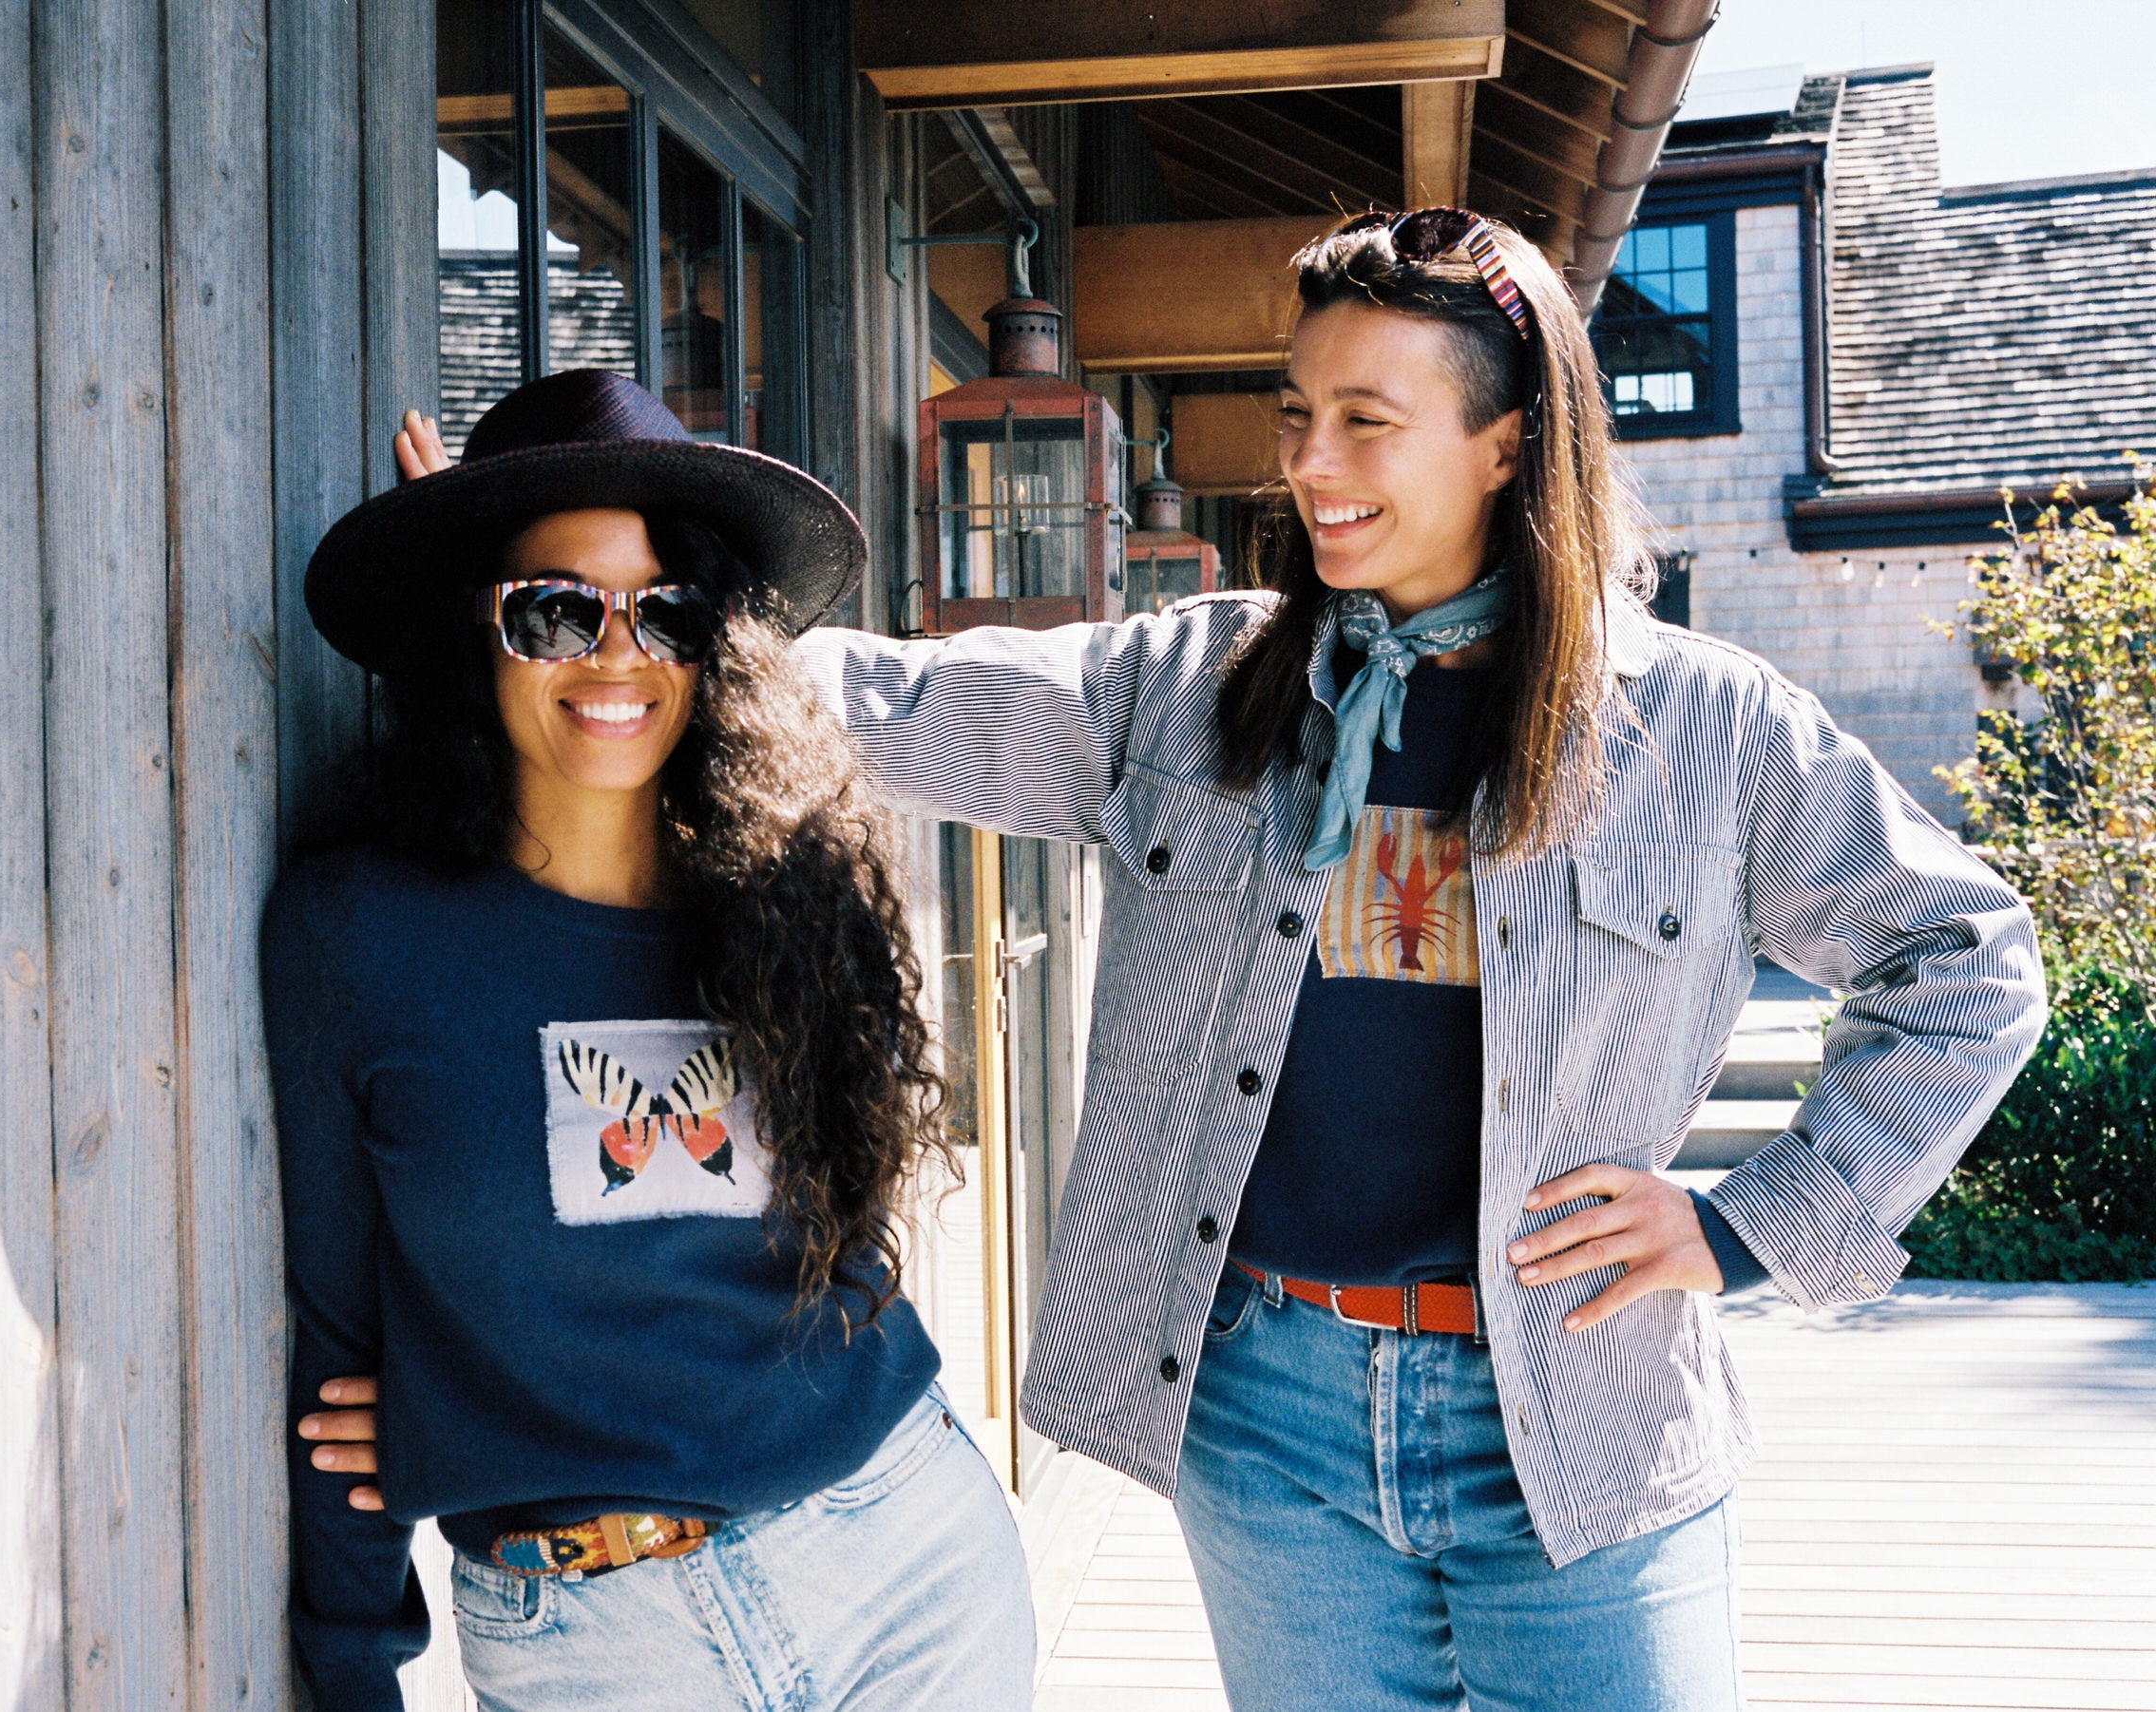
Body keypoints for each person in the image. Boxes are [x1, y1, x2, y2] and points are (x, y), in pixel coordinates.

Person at [340, 210, 2044, 1710]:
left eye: (1367, 424)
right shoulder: (1193, 684)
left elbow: (1965, 959)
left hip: (1584, 1420)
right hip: (1274, 1418)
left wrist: (1744, 1229)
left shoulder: (1702, 725)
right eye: (1298, 416)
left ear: (1510, 446)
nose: (1310, 464)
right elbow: (885, 701)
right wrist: (541, 580)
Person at [266, 368, 1033, 1712]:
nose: (615, 653)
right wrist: (353, 1663)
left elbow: (816, 1256)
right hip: (594, 1647)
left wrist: (472, 1412)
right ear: (475, 632)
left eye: (664, 608)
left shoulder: (786, 898)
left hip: (903, 1567)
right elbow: (340, 1337)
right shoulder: (357, 936)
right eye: (556, 607)